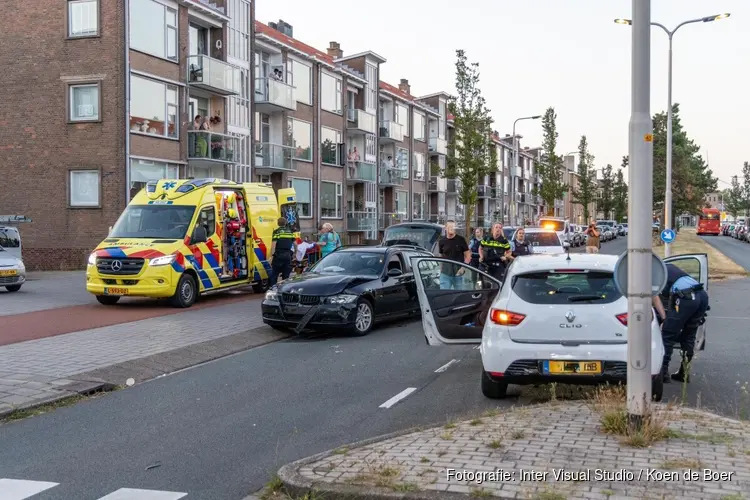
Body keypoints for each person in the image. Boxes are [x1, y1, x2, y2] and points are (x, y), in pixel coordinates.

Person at [652, 263, 709, 383]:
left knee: (667, 335)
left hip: (685, 296)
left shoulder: (649, 273)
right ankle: (684, 373)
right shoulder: (668, 266)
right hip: (702, 296)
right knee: (689, 336)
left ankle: (663, 373)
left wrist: (664, 318)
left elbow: (655, 297)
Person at [437, 220, 471, 289]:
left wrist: (463, 268)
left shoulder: (461, 240)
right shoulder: (441, 241)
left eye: (453, 227)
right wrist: (440, 270)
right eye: (450, 227)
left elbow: (468, 256)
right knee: (444, 295)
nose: (452, 228)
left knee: (458, 296)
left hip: (458, 273)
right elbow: (441, 257)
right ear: (446, 228)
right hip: (445, 273)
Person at [269, 217, 296, 286]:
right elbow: (296, 244)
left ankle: (274, 289)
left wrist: (271, 256)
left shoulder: (276, 232)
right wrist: (294, 254)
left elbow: (273, 245)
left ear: (278, 223)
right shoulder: (290, 232)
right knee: (286, 275)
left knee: (274, 274)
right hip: (287, 255)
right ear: (286, 223)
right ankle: (284, 290)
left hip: (278, 255)